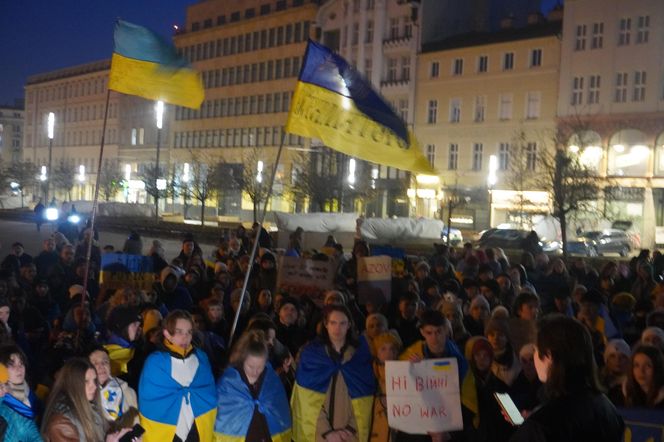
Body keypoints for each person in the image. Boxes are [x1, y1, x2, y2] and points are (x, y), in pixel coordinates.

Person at [509, 315, 624, 442]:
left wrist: (530, 428)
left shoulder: (541, 425)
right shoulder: (607, 408)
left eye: (535, 350)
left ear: (549, 356)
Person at [291, 305, 375, 442]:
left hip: (348, 436)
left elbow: (365, 400)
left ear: (349, 325)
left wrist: (350, 429)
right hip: (319, 435)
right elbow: (306, 400)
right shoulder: (311, 356)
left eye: (342, 323)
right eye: (333, 323)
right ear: (326, 324)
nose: (338, 328)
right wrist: (326, 432)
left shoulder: (359, 357)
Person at [138, 310, 217, 442]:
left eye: (189, 332)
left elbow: (209, 393)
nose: (185, 337)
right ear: (167, 334)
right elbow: (150, 399)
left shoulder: (201, 358)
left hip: (197, 427)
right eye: (179, 332)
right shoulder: (155, 362)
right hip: (167, 430)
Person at [214, 329, 291, 441]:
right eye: (251, 366)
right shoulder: (229, 383)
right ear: (242, 359)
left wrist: (283, 375)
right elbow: (222, 418)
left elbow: (278, 407)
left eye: (260, 366)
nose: (255, 371)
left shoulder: (271, 378)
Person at [41, 357, 132, 441]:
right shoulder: (60, 423)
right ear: (72, 384)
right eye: (86, 381)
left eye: (94, 380)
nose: (94, 386)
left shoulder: (91, 408)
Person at [89, 347, 138, 423]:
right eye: (95, 363)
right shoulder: (85, 398)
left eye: (105, 362)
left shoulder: (128, 392)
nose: (101, 366)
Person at [0, 361, 42, 441]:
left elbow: (32, 433)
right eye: (11, 364)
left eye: (21, 363)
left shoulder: (11, 414)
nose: (5, 389)